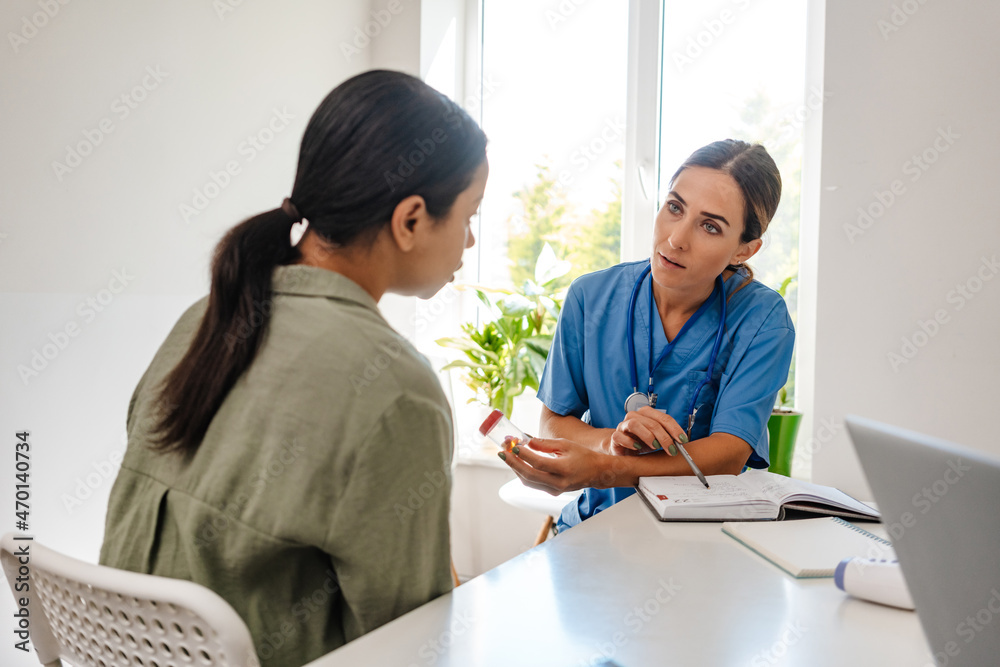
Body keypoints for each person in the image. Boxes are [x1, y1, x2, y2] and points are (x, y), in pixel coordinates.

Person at [99, 70, 488, 667]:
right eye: (469, 215)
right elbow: (412, 642)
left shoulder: (203, 318)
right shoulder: (397, 391)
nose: (469, 241)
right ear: (410, 220)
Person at [499, 139, 794, 532]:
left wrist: (606, 469)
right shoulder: (590, 298)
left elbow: (728, 455)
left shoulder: (762, 319)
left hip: (703, 543)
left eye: (710, 226)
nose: (676, 239)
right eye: (675, 207)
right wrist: (611, 442)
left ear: (745, 250)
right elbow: (554, 421)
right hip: (592, 530)